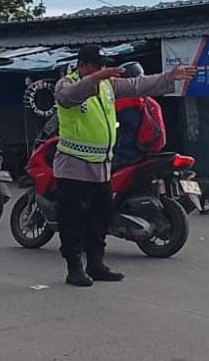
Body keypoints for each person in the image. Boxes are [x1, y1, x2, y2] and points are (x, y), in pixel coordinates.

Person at [54, 45, 195, 287]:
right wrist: (94, 79)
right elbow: (67, 98)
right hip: (74, 167)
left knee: (100, 219)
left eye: (104, 65)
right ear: (83, 65)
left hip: (102, 167)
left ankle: (96, 265)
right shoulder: (67, 84)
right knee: (73, 221)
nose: (102, 69)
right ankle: (74, 268)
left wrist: (171, 77)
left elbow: (139, 85)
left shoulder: (109, 86)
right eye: (97, 66)